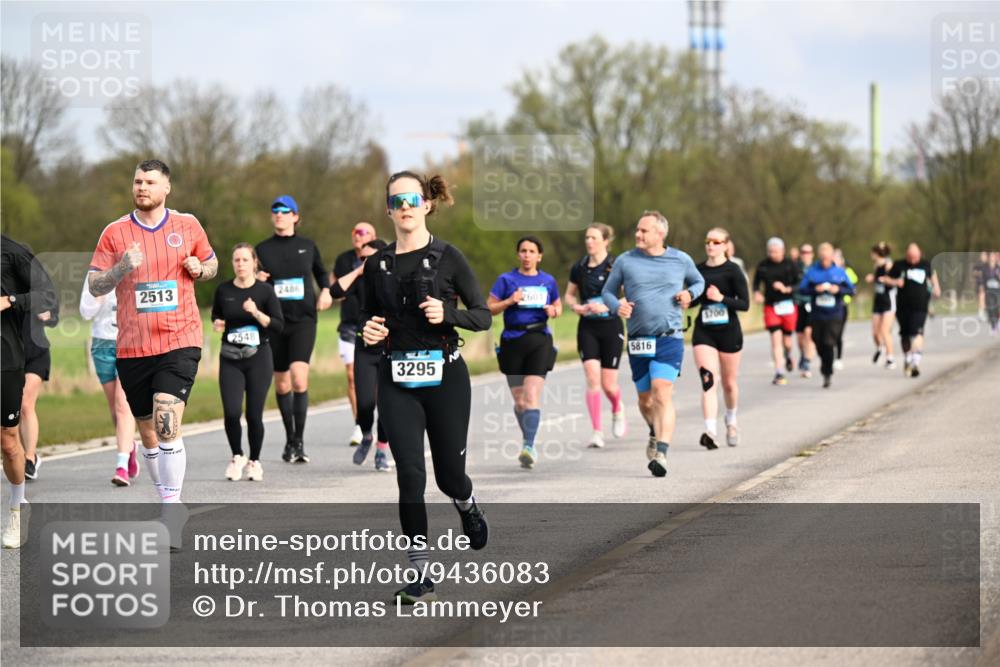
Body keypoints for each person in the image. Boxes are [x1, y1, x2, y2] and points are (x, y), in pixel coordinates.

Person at [360, 171, 491, 603]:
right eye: (397, 200)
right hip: (397, 378)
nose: (405, 206)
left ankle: (467, 505)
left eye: (413, 199)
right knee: (410, 475)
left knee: (449, 477)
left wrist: (447, 314)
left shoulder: (449, 257)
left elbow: (483, 315)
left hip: (446, 378)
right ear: (388, 210)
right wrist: (370, 333)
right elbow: (365, 321)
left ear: (427, 204)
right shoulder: (377, 265)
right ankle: (420, 573)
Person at [87, 159, 218, 511]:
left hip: (180, 338)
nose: (141, 187)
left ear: (166, 188)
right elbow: (94, 282)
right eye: (137, 181)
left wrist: (200, 269)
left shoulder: (187, 225)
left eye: (149, 182)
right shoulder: (114, 233)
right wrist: (120, 268)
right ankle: (165, 496)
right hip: (132, 347)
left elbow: (211, 262)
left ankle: (172, 508)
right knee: (147, 432)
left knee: (166, 419)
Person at [602, 211, 705, 478]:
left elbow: (698, 281)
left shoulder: (681, 259)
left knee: (662, 391)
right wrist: (618, 306)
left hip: (669, 336)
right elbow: (607, 292)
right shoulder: (626, 261)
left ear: (660, 234)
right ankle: (653, 430)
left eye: (644, 231)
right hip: (638, 339)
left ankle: (662, 452)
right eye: (637, 229)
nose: (638, 234)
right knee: (645, 400)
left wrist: (689, 294)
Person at [255, 195, 333, 464]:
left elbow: (322, 274)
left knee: (299, 378)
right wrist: (257, 279)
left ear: (295, 216)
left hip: (303, 320)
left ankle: (299, 440)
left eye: (284, 211)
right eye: (274, 210)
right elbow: (252, 283)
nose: (279, 214)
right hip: (275, 322)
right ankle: (290, 438)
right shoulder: (262, 249)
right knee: (282, 382)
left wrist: (325, 292)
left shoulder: (307, 246)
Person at [2, 234, 58, 548]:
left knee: (9, 442)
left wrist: (11, 301)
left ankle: (17, 506)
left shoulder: (12, 252)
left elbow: (47, 295)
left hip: (8, 358)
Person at [488, 236, 562, 468]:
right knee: (520, 402)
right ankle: (527, 438)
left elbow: (558, 306)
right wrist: (510, 300)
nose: (527, 255)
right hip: (512, 340)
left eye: (532, 251)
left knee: (531, 397)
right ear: (518, 254)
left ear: (539, 256)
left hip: (539, 339)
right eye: (523, 251)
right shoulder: (506, 279)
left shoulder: (547, 281)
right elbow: (489, 308)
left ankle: (528, 445)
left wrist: (554, 310)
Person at [212, 243, 284, 481]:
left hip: (258, 358)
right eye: (236, 260)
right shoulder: (223, 290)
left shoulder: (264, 291)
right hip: (230, 358)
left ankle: (254, 461)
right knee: (232, 412)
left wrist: (255, 312)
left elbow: (277, 325)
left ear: (254, 263)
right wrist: (217, 324)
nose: (240, 264)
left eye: (245, 260)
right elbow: (216, 316)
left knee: (254, 415)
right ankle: (237, 455)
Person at [332, 229, 392, 471]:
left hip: (390, 348)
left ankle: (381, 450)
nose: (366, 263)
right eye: (362, 259)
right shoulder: (361, 279)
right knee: (366, 403)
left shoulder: (394, 279)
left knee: (387, 404)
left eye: (371, 258)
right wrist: (358, 271)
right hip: (365, 348)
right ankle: (366, 434)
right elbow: (335, 291)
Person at [563, 223, 625, 449]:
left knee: (609, 384)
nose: (589, 241)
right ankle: (597, 431)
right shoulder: (579, 266)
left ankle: (617, 408)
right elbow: (569, 295)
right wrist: (575, 306)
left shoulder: (616, 265)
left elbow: (629, 297)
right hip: (587, 327)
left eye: (594, 238)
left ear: (606, 241)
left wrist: (610, 307)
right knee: (592, 378)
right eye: (587, 237)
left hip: (611, 326)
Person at [79, 275, 140, 486]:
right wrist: (100, 294)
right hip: (102, 345)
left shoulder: (137, 270)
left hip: (130, 343)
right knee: (115, 411)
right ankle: (129, 446)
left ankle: (121, 466)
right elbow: (85, 312)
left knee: (123, 406)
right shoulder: (95, 275)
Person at [692, 227, 749, 448]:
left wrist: (721, 297)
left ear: (726, 245)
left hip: (729, 332)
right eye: (708, 241)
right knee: (708, 380)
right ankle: (710, 430)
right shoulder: (698, 271)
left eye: (716, 242)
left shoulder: (733, 270)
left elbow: (744, 304)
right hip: (704, 331)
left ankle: (731, 420)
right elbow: (696, 299)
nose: (711, 245)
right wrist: (687, 300)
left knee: (729, 384)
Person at [331, 221, 377, 447]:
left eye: (363, 232)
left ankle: (377, 419)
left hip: (377, 325)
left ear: (373, 236)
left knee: (377, 379)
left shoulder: (383, 254)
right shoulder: (343, 259)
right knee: (352, 376)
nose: (358, 235)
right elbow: (336, 291)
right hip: (350, 325)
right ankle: (360, 424)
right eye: (355, 231)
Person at [19, 249, 60, 481]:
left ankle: (30, 458)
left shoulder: (39, 288)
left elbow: (55, 315)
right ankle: (15, 454)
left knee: (26, 403)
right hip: (10, 356)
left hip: (36, 352)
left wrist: (48, 314)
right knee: (11, 412)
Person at [798, 243, 855, 388]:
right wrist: (815, 289)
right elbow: (802, 289)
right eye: (823, 258)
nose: (825, 261)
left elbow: (851, 290)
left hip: (835, 313)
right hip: (817, 314)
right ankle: (825, 363)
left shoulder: (840, 271)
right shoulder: (812, 271)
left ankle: (827, 372)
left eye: (827, 258)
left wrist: (838, 289)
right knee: (817, 341)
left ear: (831, 257)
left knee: (829, 342)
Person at [888, 243, 940, 378]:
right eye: (911, 257)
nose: (913, 260)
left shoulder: (925, 264)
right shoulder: (899, 265)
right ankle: (907, 358)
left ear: (920, 254)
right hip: (903, 306)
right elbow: (887, 278)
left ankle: (915, 362)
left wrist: (936, 287)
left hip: (920, 305)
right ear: (906, 255)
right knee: (905, 336)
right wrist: (895, 282)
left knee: (917, 333)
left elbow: (932, 275)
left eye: (915, 257)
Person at [753, 237, 800, 385]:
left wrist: (787, 289)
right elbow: (756, 284)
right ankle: (779, 371)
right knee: (775, 339)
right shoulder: (763, 266)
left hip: (788, 305)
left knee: (787, 341)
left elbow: (800, 283)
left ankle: (788, 353)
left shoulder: (790, 265)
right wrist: (757, 293)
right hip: (771, 306)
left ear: (783, 251)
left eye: (776, 251)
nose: (773, 254)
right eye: (771, 251)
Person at [864, 242, 897, 369]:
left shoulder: (888, 264)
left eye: (872, 252)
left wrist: (885, 280)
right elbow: (877, 280)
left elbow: (894, 280)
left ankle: (890, 358)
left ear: (877, 253)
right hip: (878, 300)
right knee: (875, 333)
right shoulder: (876, 265)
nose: (871, 255)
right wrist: (873, 278)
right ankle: (880, 348)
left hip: (888, 300)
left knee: (884, 330)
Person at [792, 243, 816, 378]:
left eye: (808, 252)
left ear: (812, 254)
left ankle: (807, 362)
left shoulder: (816, 268)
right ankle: (803, 354)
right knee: (800, 337)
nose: (806, 254)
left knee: (808, 333)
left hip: (812, 304)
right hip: (798, 303)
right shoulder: (796, 267)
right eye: (803, 252)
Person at [833, 248, 858, 370]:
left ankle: (838, 358)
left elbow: (853, 288)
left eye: (838, 258)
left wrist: (841, 290)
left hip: (842, 305)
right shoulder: (826, 272)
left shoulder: (847, 272)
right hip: (828, 307)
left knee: (838, 333)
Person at [984, 252, 1000, 335]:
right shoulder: (985, 268)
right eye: (990, 256)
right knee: (990, 309)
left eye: (993, 256)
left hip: (997, 291)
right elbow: (982, 279)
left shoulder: (998, 267)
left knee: (997, 307)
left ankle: (997, 323)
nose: (992, 258)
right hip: (989, 291)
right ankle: (993, 326)